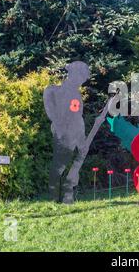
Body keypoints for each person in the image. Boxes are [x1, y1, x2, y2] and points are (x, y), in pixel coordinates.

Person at [43, 61, 110, 203]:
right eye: (81, 78)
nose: (82, 81)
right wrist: (61, 130)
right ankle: (55, 196)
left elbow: (78, 117)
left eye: (83, 79)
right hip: (63, 133)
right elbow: (53, 115)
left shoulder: (76, 95)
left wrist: (82, 138)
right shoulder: (53, 91)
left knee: (76, 162)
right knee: (61, 163)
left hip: (77, 133)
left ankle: (68, 193)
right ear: (73, 74)